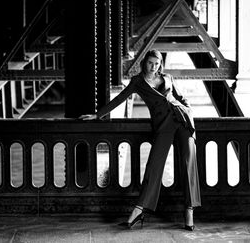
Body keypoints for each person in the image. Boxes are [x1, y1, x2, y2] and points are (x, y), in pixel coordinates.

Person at [80, 50, 201, 231]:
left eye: (157, 63)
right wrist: (98, 114)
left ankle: (189, 210)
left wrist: (188, 109)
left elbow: (181, 97)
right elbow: (120, 99)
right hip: (163, 125)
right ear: (144, 63)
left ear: (161, 64)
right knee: (153, 165)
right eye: (151, 63)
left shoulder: (168, 77)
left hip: (182, 120)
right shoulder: (138, 82)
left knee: (188, 162)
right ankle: (139, 210)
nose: (154, 67)